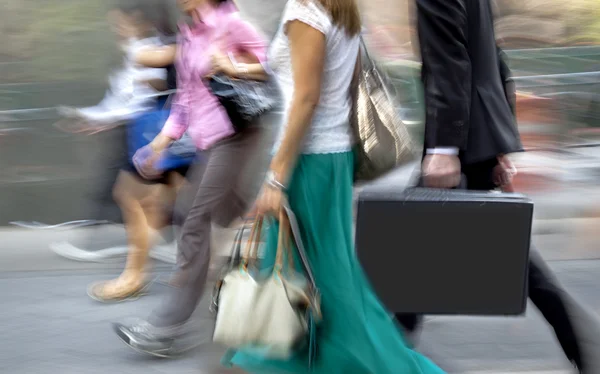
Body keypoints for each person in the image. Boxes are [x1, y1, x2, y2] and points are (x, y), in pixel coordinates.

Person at [219, 0, 446, 373]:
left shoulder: (305, 11)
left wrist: (276, 177)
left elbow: (307, 98)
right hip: (331, 157)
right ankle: (308, 359)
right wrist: (241, 68)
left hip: (307, 162)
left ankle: (364, 362)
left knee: (313, 272)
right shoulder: (341, 11)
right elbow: (312, 79)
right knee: (325, 270)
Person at [395, 0, 590, 372]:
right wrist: (500, 142)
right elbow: (494, 57)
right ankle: (583, 343)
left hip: (461, 140)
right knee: (416, 256)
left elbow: (449, 63)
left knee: (410, 253)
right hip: (478, 134)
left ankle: (390, 354)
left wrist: (443, 149)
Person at [112, 0, 267, 355]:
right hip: (207, 140)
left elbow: (270, 66)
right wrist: (159, 143)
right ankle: (265, 282)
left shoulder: (232, 24)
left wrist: (231, 65)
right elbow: (185, 99)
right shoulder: (190, 33)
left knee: (191, 216)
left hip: (238, 134)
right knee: (234, 215)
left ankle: (167, 327)